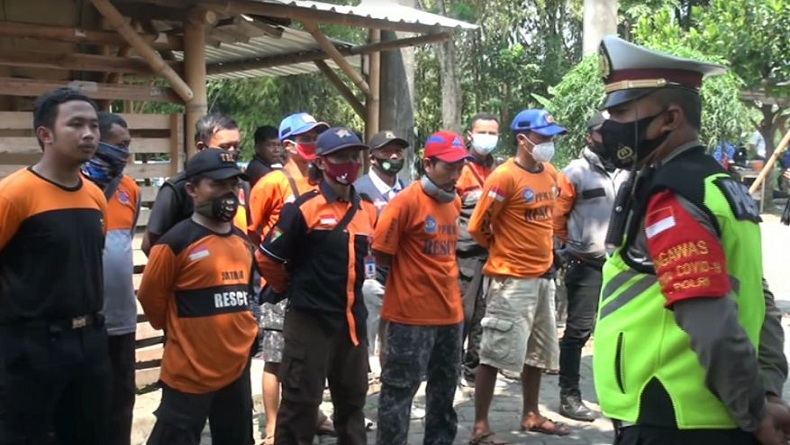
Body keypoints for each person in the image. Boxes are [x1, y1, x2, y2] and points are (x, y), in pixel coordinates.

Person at [591, 36, 790, 445]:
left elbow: (710, 322)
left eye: (623, 111)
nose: (610, 124)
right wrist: (767, 392)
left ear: (670, 118)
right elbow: (760, 298)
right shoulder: (719, 185)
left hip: (672, 417)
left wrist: (755, 413)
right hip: (704, 417)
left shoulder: (674, 195)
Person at [0, 88, 110, 443]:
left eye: (94, 125)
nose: (89, 133)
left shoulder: (94, 195)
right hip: (31, 347)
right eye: (76, 124)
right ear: (45, 134)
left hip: (90, 341)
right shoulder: (13, 194)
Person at [257, 127, 376, 445]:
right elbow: (267, 258)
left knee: (352, 405)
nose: (349, 163)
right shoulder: (301, 209)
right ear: (322, 163)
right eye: (341, 157)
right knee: (300, 404)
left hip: (352, 324)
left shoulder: (367, 209)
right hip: (310, 322)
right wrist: (288, 288)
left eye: (354, 156)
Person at [138, 148, 258, 445]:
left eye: (233, 185)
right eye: (217, 185)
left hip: (236, 369)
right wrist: (186, 335)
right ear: (192, 189)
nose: (227, 194)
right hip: (189, 372)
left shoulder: (243, 243)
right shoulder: (174, 243)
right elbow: (152, 300)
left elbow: (245, 296)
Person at [468, 109, 570, 444]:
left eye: (552, 137)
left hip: (543, 277)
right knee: (495, 354)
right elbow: (478, 226)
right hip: (510, 280)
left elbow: (549, 220)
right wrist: (505, 250)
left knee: (538, 352)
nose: (549, 143)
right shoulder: (503, 177)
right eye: (543, 137)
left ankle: (531, 413)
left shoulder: (551, 173)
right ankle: (481, 426)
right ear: (523, 139)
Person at [372, 131, 469, 445]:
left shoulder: (454, 201)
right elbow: (382, 254)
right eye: (449, 167)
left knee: (444, 392)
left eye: (460, 167)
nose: (456, 174)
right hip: (410, 317)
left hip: (450, 315)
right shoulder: (404, 204)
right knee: (399, 393)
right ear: (428, 164)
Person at [248, 112, 332, 443]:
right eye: (308, 138)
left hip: (312, 285)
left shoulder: (321, 182)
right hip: (277, 286)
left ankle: (313, 416)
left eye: (317, 137)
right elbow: (254, 232)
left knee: (311, 359)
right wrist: (277, 271)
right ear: (289, 145)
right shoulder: (271, 182)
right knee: (275, 358)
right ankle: (272, 427)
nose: (314, 144)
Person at [551, 112, 627, 422]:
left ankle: (617, 396)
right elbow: (556, 218)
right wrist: (569, 250)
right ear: (589, 136)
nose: (608, 136)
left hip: (623, 267)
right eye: (601, 131)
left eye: (613, 131)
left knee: (621, 331)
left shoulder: (628, 171)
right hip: (586, 266)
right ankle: (569, 395)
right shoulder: (574, 173)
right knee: (578, 331)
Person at [81, 112, 142, 445]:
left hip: (121, 320)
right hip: (83, 322)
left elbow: (124, 243)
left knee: (122, 402)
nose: (126, 153)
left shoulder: (129, 188)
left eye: (129, 145)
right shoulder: (71, 187)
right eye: (120, 145)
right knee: (85, 406)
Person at [142, 113, 248, 255]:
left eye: (236, 147)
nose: (232, 153)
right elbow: (151, 244)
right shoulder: (177, 188)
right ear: (202, 148)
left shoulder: (243, 184)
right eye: (225, 146)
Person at [354, 130, 408, 366]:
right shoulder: (359, 189)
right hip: (370, 269)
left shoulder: (405, 188)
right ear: (373, 158)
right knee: (369, 320)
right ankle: (364, 368)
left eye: (398, 151)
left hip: (400, 270)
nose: (394, 156)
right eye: (387, 152)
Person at [456, 112, 501, 388]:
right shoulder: (458, 168)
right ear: (470, 135)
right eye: (482, 132)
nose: (488, 138)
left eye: (493, 133)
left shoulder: (500, 170)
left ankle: (474, 371)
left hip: (495, 254)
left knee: (486, 316)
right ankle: (451, 368)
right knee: (464, 314)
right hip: (465, 255)